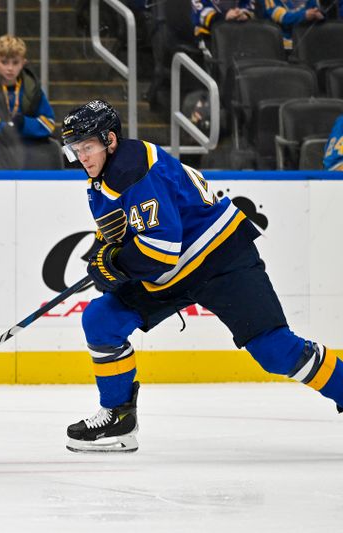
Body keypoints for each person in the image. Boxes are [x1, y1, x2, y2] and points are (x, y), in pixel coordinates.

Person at [60, 99, 343, 453]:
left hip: (220, 259)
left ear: (110, 140)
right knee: (101, 320)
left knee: (274, 351)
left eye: (87, 147)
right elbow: (124, 234)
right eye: (76, 149)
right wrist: (108, 256)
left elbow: (160, 250)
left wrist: (115, 265)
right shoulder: (104, 177)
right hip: (173, 272)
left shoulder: (133, 171)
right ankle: (119, 418)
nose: (82, 157)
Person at [0, 34, 55, 169]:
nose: (10, 68)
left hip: (28, 148)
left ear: (23, 63)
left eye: (15, 63)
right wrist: (4, 128)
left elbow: (49, 123)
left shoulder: (32, 87)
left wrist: (24, 124)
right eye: (4, 62)